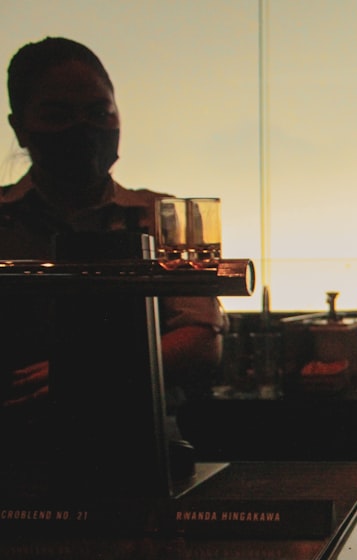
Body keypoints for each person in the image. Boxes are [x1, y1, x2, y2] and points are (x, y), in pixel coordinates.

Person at [0, 36, 227, 411]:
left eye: (98, 112)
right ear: (19, 127)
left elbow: (203, 342)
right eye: (58, 115)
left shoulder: (163, 217)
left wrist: (80, 372)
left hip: (143, 442)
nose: (82, 128)